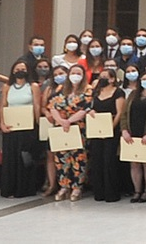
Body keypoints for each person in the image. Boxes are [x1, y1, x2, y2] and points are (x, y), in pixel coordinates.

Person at [47, 65, 92, 202]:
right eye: (73, 73)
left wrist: (69, 121)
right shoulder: (61, 89)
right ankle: (64, 186)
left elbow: (85, 108)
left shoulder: (87, 89)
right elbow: (52, 106)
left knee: (78, 158)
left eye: (78, 73)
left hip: (78, 127)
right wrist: (61, 121)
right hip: (60, 127)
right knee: (61, 158)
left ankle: (77, 187)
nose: (75, 75)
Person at [0, 61, 42, 198]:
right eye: (17, 68)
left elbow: (36, 105)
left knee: (25, 157)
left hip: (27, 127)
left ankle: (24, 189)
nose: (20, 71)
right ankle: (9, 188)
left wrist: (36, 123)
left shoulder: (33, 86)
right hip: (11, 128)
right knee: (10, 158)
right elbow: (3, 105)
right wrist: (2, 123)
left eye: (23, 68)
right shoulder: (7, 87)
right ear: (12, 71)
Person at [86, 69, 125, 202]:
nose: (102, 79)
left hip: (111, 130)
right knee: (97, 159)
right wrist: (91, 111)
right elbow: (91, 107)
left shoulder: (118, 92)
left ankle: (111, 192)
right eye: (101, 77)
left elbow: (119, 112)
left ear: (112, 79)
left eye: (105, 77)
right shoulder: (96, 92)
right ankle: (99, 191)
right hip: (96, 130)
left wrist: (109, 128)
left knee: (109, 160)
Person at [121, 71, 146, 203]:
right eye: (144, 78)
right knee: (135, 163)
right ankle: (137, 190)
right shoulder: (133, 94)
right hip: (132, 132)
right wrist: (124, 130)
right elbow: (124, 113)